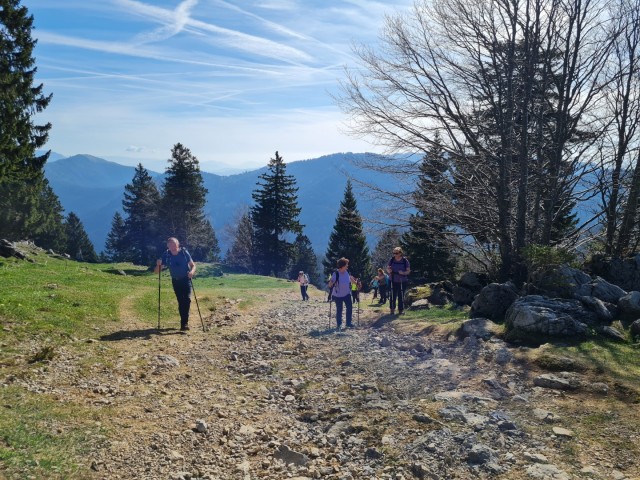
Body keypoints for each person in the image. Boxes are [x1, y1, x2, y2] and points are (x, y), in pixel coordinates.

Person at [155, 237, 196, 331]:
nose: (173, 246)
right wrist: (158, 265)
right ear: (168, 246)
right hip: (176, 281)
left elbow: (193, 265)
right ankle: (184, 323)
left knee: (187, 300)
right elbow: (157, 272)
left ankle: (184, 323)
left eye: (174, 244)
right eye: (170, 245)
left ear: (178, 244)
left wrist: (192, 273)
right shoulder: (166, 255)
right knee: (181, 301)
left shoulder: (184, 253)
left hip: (186, 279)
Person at [327, 257, 357, 330]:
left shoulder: (347, 272)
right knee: (339, 309)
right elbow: (330, 285)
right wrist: (331, 282)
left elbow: (352, 281)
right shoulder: (336, 274)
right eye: (346, 265)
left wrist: (357, 283)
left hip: (347, 294)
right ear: (342, 266)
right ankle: (339, 325)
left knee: (349, 308)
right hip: (338, 295)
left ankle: (348, 323)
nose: (347, 266)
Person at [387, 247, 410, 315]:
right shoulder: (392, 260)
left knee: (401, 295)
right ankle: (392, 309)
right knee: (392, 295)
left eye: (396, 253)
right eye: (394, 253)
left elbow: (408, 271)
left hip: (402, 280)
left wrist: (403, 273)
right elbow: (388, 268)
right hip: (393, 279)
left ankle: (401, 310)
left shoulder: (405, 261)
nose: (395, 254)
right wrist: (389, 271)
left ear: (400, 253)